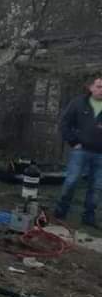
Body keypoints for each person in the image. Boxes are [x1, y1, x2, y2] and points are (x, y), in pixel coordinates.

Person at [55, 73, 102, 227]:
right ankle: (61, 211)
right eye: (99, 86)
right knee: (71, 181)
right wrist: (73, 141)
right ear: (91, 87)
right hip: (80, 151)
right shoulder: (79, 103)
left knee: (96, 186)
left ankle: (88, 217)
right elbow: (64, 123)